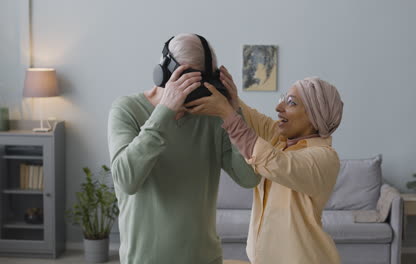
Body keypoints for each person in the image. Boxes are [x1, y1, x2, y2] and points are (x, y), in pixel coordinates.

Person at [107, 33, 260, 264]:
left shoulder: (213, 117)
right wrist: (164, 113)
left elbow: (249, 178)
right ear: (165, 73)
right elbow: (126, 179)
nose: (195, 92)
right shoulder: (126, 109)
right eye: (188, 82)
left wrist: (233, 113)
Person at [186, 67, 344, 264]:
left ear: (314, 116)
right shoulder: (278, 138)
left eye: (291, 103)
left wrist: (228, 115)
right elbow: (246, 116)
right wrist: (227, 95)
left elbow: (273, 162)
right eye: (282, 98)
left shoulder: (324, 158)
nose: (279, 108)